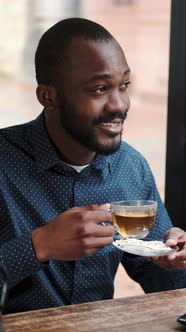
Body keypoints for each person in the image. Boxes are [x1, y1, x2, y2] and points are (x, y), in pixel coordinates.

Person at [0, 18, 186, 315]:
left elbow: (167, 287)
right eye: (99, 89)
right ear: (48, 96)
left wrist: (176, 258)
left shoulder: (131, 167)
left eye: (123, 85)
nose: (120, 104)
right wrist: (38, 246)